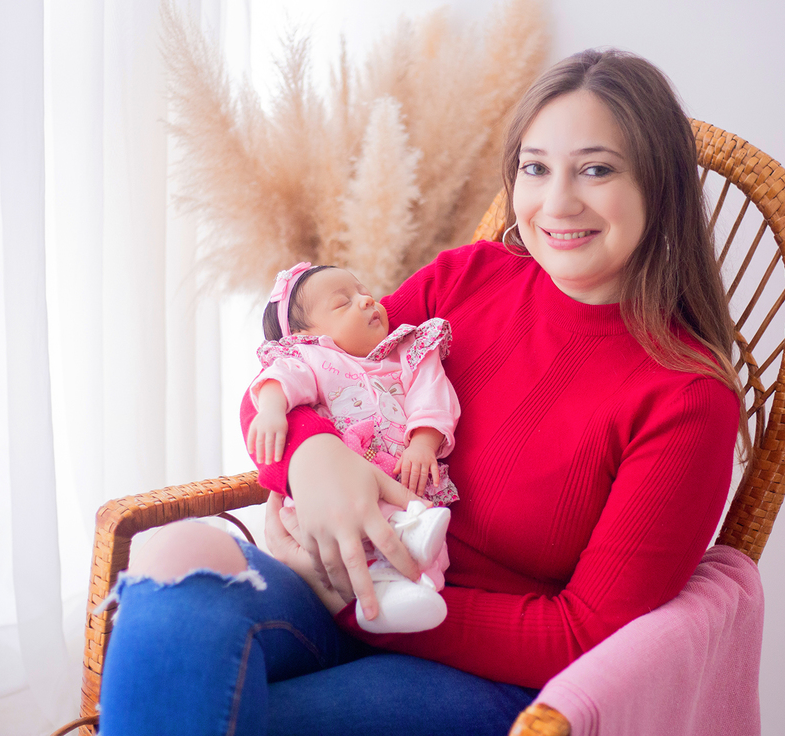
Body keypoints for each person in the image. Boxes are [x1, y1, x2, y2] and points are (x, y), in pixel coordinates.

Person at [97, 48, 743, 736]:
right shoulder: (466, 280)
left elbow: (586, 635)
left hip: (484, 672)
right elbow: (291, 376)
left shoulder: (687, 398)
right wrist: (313, 459)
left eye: (596, 169)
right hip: (341, 581)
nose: (557, 202)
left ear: (660, 184)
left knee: (214, 718)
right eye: (535, 168)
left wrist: (357, 605)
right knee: (174, 561)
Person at [246, 261, 460, 633]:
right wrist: (271, 410)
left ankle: (419, 586)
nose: (366, 301)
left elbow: (433, 396)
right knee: (345, 543)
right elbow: (282, 377)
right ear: (304, 335)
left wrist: (424, 442)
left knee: (425, 532)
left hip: (402, 476)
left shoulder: (409, 351)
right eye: (343, 303)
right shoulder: (314, 359)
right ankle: (382, 597)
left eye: (363, 292)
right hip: (338, 491)